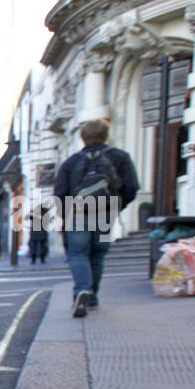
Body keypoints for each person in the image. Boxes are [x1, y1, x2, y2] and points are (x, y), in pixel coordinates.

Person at [53, 119, 139, 316]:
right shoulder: (120, 157)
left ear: (82, 137)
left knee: (78, 254)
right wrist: (116, 206)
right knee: (98, 256)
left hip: (78, 213)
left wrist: (66, 215)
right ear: (105, 135)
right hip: (105, 214)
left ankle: (82, 289)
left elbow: (59, 193)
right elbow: (132, 187)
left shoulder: (71, 162)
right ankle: (91, 298)